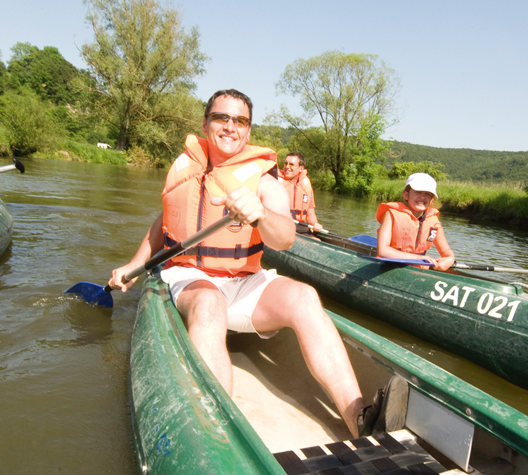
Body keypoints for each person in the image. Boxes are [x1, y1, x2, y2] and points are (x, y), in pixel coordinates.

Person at [108, 89, 370, 437]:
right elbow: (165, 222)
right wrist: (134, 264)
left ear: (248, 131)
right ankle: (221, 430)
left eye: (240, 121)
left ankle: (360, 417)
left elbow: (285, 236)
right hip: (190, 276)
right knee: (210, 302)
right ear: (206, 123)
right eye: (222, 117)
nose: (231, 126)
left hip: (245, 281)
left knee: (305, 297)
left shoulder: (263, 179)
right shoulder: (185, 166)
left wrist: (260, 214)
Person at [376, 173, 456, 271]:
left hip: (418, 269)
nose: (422, 197)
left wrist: (450, 259)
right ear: (406, 195)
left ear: (431, 199)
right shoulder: (391, 214)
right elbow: (383, 250)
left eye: (428, 193)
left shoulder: (433, 220)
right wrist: (419, 258)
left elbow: (446, 251)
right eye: (418, 192)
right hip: (389, 266)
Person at [279, 152, 323, 233]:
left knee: (316, 241)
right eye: (285, 163)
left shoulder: (306, 183)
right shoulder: (275, 181)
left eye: (291, 164)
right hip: (280, 227)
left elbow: (310, 213)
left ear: (301, 168)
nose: (287, 167)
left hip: (299, 227)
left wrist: (315, 224)